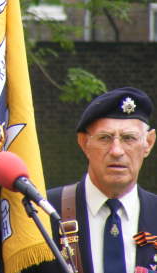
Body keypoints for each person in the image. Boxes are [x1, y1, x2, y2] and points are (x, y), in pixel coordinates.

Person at [34, 87, 157, 273]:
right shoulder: (43, 213)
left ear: (148, 143)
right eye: (105, 138)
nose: (116, 151)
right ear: (84, 143)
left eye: (129, 138)